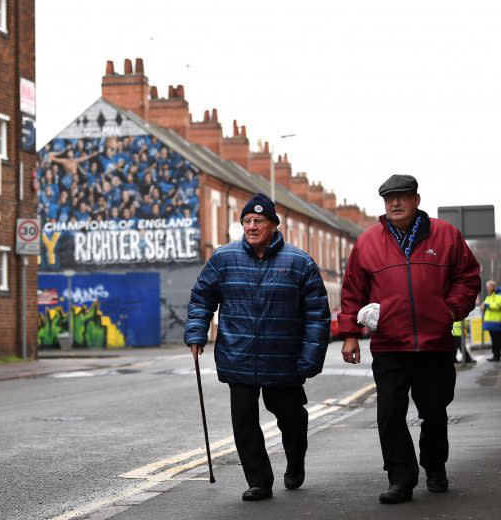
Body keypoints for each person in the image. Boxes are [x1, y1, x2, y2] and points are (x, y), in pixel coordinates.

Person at [339, 174, 480, 504]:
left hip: (435, 345)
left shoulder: (446, 235)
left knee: (434, 411)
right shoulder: (369, 241)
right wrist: (349, 335)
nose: (395, 203)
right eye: (389, 199)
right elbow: (351, 291)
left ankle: (434, 466)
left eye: (401, 197)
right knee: (389, 414)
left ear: (416, 199)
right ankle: (400, 479)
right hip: (389, 345)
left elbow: (468, 278)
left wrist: (449, 310)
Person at [184, 193, 330, 502]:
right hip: (238, 356)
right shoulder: (224, 259)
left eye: (259, 221)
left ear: (274, 225)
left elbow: (317, 314)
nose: (252, 226)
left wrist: (311, 357)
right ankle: (259, 481)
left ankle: (295, 460)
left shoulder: (298, 262)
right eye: (247, 221)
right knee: (244, 422)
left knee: (291, 416)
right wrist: (196, 332)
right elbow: (201, 299)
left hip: (284, 359)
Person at [481, 280, 501, 362]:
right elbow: (484, 305)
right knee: (494, 340)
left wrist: (487, 306)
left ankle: (496, 356)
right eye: (487, 287)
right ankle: (495, 355)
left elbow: (498, 306)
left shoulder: (498, 295)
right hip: (490, 323)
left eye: (488, 287)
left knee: (497, 340)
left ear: (493, 287)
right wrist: (483, 306)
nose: (487, 288)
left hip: (496, 322)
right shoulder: (489, 296)